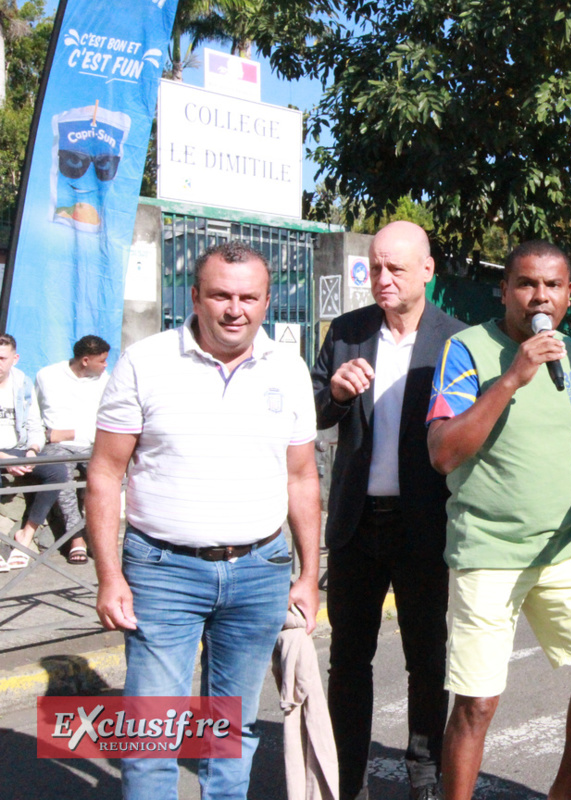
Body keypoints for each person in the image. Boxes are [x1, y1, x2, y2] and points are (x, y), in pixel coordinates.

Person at [89, 241, 322, 799]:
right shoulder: (144, 362)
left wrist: (309, 575)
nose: (234, 309)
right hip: (163, 572)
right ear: (194, 297)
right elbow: (104, 473)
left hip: (260, 571)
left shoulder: (289, 370)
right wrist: (108, 576)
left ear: (266, 302)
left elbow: (302, 478)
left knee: (230, 731)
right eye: (220, 295)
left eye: (248, 297)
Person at [427, 240, 571, 800]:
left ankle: (568, 782)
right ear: (506, 290)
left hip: (559, 550)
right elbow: (443, 452)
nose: (540, 295)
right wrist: (512, 377)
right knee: (477, 704)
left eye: (554, 285)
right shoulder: (467, 349)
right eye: (527, 284)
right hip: (487, 553)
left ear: (567, 295)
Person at [312, 221, 465, 800]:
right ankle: (344, 777)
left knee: (427, 660)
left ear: (427, 270)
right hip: (356, 522)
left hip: (423, 522)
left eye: (395, 268)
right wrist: (337, 394)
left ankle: (425, 775)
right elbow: (315, 412)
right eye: (375, 267)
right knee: (349, 658)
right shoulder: (347, 332)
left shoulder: (456, 339)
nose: (382, 278)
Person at [35, 334, 110, 565]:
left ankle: (100, 538)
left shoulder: (104, 379)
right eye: (102, 360)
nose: (106, 365)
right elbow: (34, 413)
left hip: (92, 444)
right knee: (61, 477)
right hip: (58, 445)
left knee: (107, 479)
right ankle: (76, 538)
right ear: (85, 360)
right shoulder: (48, 376)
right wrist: (41, 439)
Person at [0, 333, 69, 572]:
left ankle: (25, 535)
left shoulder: (22, 382)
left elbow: (35, 425)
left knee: (57, 470)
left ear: (14, 358)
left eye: (2, 358)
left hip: (18, 450)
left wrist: (32, 450)